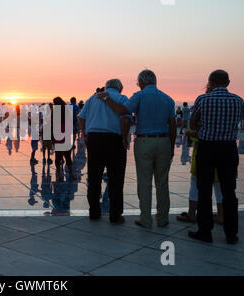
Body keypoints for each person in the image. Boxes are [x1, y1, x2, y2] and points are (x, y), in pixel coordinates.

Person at [99, 70, 176, 228]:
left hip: (145, 141)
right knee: (162, 182)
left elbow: (122, 110)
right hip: (164, 141)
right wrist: (172, 146)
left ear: (141, 82)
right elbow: (173, 125)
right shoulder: (168, 99)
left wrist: (106, 98)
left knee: (144, 181)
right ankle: (162, 218)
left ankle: (146, 219)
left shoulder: (139, 96)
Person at [188, 70, 243, 245]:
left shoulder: (202, 99)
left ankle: (205, 231)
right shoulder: (238, 101)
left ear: (210, 82)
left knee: (204, 191)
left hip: (207, 147)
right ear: (227, 82)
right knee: (229, 192)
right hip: (228, 148)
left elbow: (192, 122)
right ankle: (231, 233)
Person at [78, 79, 130, 224]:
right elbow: (125, 119)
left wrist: (85, 134)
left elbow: (81, 117)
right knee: (116, 179)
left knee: (94, 178)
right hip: (114, 140)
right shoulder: (122, 98)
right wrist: (125, 138)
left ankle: (94, 213)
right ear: (120, 88)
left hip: (94, 139)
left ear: (107, 87)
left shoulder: (92, 98)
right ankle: (115, 216)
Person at [52, 97, 74, 181]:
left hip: (58, 133)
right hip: (66, 133)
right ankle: (71, 174)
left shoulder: (55, 111)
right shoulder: (67, 110)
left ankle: (58, 174)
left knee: (58, 156)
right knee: (67, 155)